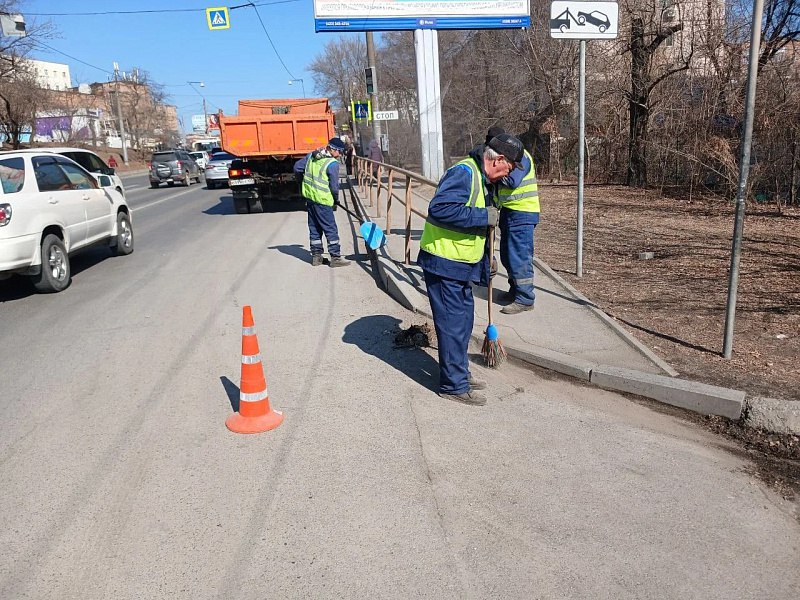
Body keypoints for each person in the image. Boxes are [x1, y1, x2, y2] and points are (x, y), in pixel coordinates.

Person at [417, 133, 524, 406]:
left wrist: (485, 261)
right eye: (509, 169)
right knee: (453, 326)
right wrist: (482, 216)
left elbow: (478, 229)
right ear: (498, 160)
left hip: (461, 265)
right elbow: (439, 208)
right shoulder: (464, 173)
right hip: (444, 263)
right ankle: (453, 386)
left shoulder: (483, 178)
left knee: (462, 323)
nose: (507, 176)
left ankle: (459, 373)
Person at [496, 141, 540, 315]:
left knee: (519, 257)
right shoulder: (508, 156)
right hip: (510, 211)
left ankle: (525, 298)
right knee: (507, 256)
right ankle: (515, 290)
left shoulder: (521, 156)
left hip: (523, 212)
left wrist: (494, 175)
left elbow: (513, 181)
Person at [293, 137, 351, 268]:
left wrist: (301, 182)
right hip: (323, 201)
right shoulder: (332, 164)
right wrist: (335, 199)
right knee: (330, 229)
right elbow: (334, 187)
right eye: (340, 152)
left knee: (314, 229)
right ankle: (335, 257)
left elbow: (297, 168)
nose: (340, 155)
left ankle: (316, 257)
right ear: (333, 149)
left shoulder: (311, 156)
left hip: (310, 200)